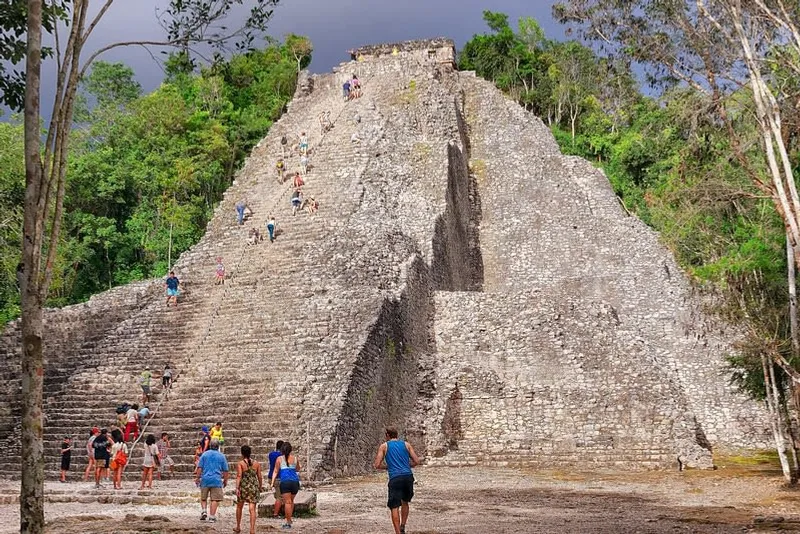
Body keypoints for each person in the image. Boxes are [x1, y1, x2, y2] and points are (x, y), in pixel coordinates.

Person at [374, 427, 420, 534]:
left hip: (395, 477)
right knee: (405, 502)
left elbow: (377, 465)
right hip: (408, 476)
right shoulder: (406, 444)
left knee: (394, 506)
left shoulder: (384, 446)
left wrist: (388, 467)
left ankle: (398, 532)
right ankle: (403, 525)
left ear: (387, 435)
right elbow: (417, 461)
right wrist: (407, 466)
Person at [196, 439, 229, 523]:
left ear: (210, 445)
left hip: (205, 479)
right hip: (216, 480)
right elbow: (225, 470)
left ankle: (204, 510)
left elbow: (199, 467)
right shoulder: (221, 456)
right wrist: (225, 480)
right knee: (215, 499)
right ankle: (212, 516)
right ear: (218, 446)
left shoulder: (204, 454)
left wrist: (197, 478)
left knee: (203, 497)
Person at [270, 441, 301, 530]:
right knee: (291, 501)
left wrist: (272, 482)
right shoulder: (295, 458)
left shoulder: (279, 459)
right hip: (295, 482)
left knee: (287, 502)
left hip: (285, 482)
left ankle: (288, 521)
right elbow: (298, 468)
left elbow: (275, 471)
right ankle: (289, 519)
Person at [235, 444, 263, 534]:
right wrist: (260, 486)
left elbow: (239, 476)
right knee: (252, 508)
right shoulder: (256, 463)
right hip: (254, 486)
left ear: (242, 453)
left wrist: (237, 487)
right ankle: (252, 529)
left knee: (239, 506)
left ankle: (238, 526)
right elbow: (259, 476)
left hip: (244, 486)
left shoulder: (241, 463)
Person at [267, 440, 284, 519]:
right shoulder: (282, 456)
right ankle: (275, 514)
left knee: (278, 494)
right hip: (278, 477)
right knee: (279, 497)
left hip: (270, 477)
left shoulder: (271, 454)